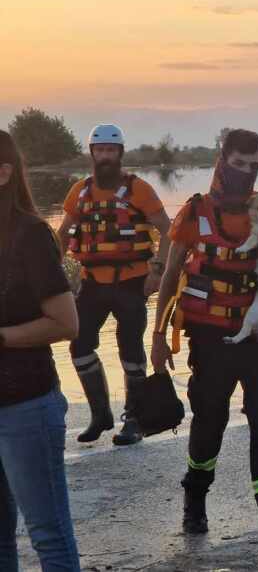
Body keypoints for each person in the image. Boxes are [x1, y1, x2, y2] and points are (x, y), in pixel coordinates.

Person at [151, 130, 258, 558]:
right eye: (238, 163)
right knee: (209, 423)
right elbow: (170, 276)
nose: (246, 172)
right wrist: (157, 336)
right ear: (221, 160)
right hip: (211, 340)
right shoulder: (194, 212)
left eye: (253, 165)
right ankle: (195, 494)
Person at [58, 124, 171, 446]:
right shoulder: (79, 192)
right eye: (100, 150)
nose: (105, 156)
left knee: (131, 349)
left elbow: (169, 231)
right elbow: (63, 234)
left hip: (132, 283)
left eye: (110, 150)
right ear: (92, 153)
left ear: (120, 153)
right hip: (92, 283)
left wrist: (157, 271)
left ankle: (134, 420)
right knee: (79, 345)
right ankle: (100, 415)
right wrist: (51, 271)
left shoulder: (139, 190)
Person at [0, 130, 81, 571]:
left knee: (48, 535)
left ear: (4, 173)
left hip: (25, 408)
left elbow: (66, 323)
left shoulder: (30, 235)